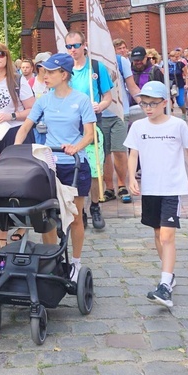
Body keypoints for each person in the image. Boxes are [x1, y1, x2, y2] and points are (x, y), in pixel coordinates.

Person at [14, 53, 96, 281]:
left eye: (50, 72)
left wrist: (75, 146)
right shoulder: (43, 100)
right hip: (49, 164)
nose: (45, 75)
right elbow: (25, 127)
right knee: (46, 215)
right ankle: (51, 259)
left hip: (74, 164)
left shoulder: (81, 100)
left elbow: (89, 135)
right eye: (44, 71)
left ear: (64, 74)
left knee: (75, 216)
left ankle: (76, 263)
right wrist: (16, 149)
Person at [125, 81, 188, 308]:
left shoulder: (177, 125)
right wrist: (130, 178)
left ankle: (165, 285)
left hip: (172, 187)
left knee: (167, 236)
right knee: (158, 234)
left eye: (153, 103)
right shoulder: (138, 127)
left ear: (164, 103)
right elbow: (132, 155)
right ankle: (169, 274)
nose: (148, 108)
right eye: (144, 103)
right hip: (150, 188)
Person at [0, 42, 35, 242]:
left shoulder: (18, 80)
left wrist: (11, 114)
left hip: (16, 133)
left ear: (7, 57)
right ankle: (2, 223)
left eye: (0, 54)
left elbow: (32, 110)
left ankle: (22, 224)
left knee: (18, 180)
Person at [65, 31, 113, 230]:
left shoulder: (95, 67)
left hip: (92, 125)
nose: (73, 50)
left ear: (84, 45)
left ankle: (94, 206)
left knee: (94, 168)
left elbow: (108, 96)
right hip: (70, 126)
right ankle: (79, 211)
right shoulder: (64, 70)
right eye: (69, 47)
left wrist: (100, 106)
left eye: (76, 45)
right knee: (73, 168)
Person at [101, 39, 141, 205]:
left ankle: (122, 185)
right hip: (99, 114)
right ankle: (109, 187)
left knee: (119, 150)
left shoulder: (121, 61)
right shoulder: (93, 63)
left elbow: (131, 86)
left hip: (119, 112)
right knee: (104, 153)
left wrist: (147, 104)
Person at [167, 48, 188, 119]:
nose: (176, 58)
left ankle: (184, 111)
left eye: (177, 56)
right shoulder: (166, 64)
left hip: (179, 85)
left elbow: (186, 75)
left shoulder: (181, 64)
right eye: (174, 57)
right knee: (169, 101)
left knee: (180, 102)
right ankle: (171, 115)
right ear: (170, 57)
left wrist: (186, 84)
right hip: (169, 85)